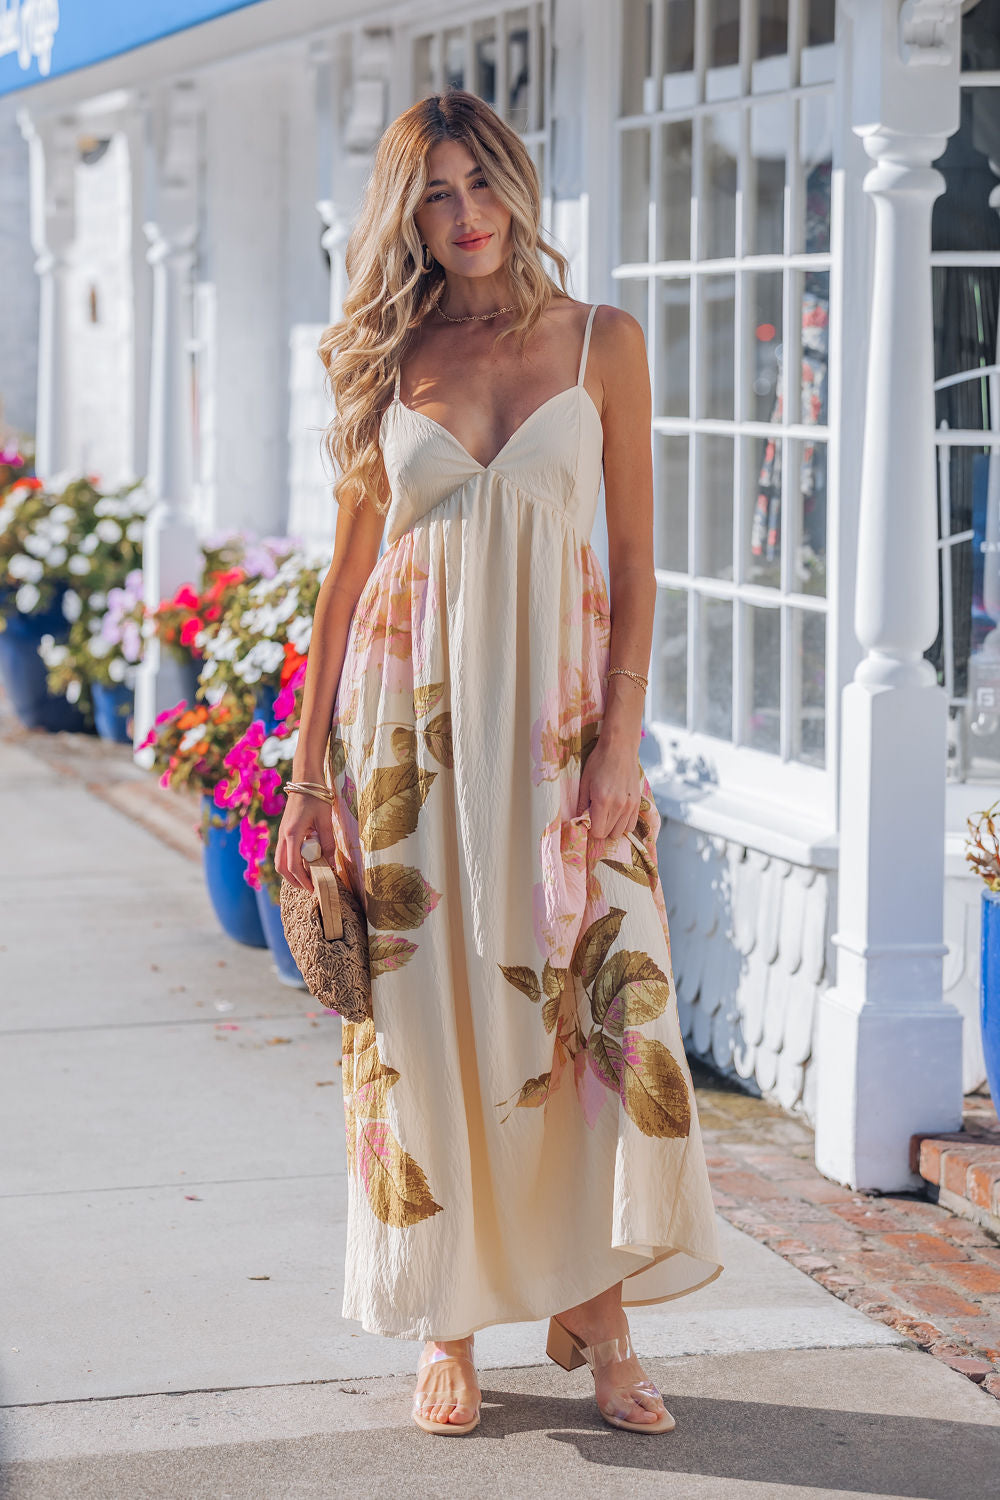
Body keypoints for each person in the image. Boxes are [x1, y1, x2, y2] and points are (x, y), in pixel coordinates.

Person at [275, 89, 723, 1438]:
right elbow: (344, 585)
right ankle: (448, 1319)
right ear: (405, 216)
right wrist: (307, 779)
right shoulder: (385, 354)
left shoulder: (603, 342)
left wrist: (620, 745)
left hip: (562, 741)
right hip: (408, 736)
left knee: (594, 1017)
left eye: (480, 184)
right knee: (426, 1030)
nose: (462, 214)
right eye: (433, 194)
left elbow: (640, 566)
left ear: (519, 187)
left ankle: (601, 1315)